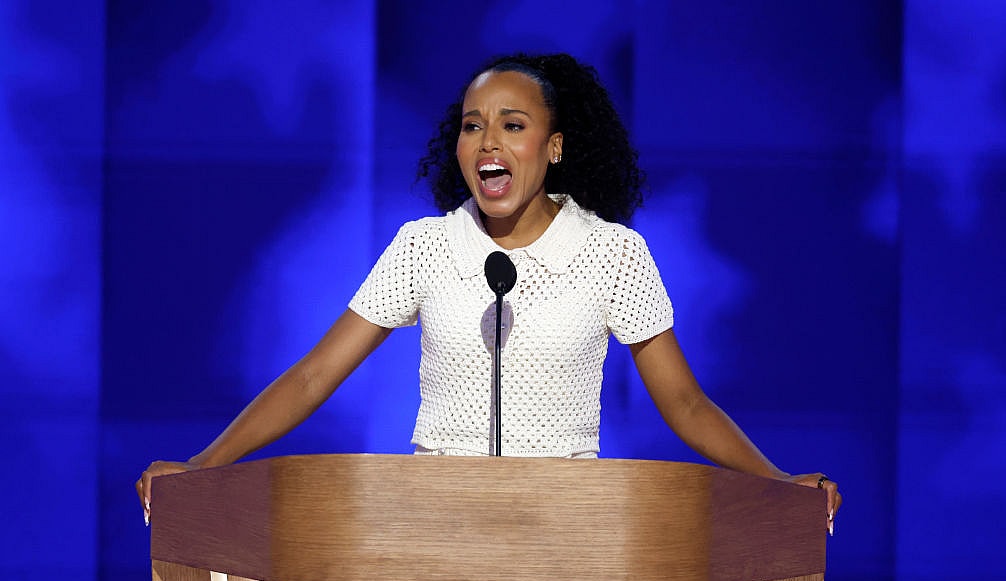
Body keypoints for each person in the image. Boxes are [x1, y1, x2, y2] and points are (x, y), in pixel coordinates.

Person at [136, 53, 841, 532]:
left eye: (513, 124)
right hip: (433, 524)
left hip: (568, 530)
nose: (487, 142)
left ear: (554, 146)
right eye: (473, 126)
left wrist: (778, 480)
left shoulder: (613, 253)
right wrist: (203, 467)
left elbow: (684, 401)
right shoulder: (425, 246)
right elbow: (315, 373)